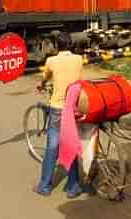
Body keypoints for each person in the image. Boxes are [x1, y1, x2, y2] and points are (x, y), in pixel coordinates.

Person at [34, 32, 84, 198]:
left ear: (56, 45)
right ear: (70, 44)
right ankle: (73, 187)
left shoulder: (52, 61)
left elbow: (45, 77)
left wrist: (41, 85)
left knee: (52, 147)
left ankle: (45, 186)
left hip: (58, 108)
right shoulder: (78, 59)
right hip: (74, 108)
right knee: (70, 144)